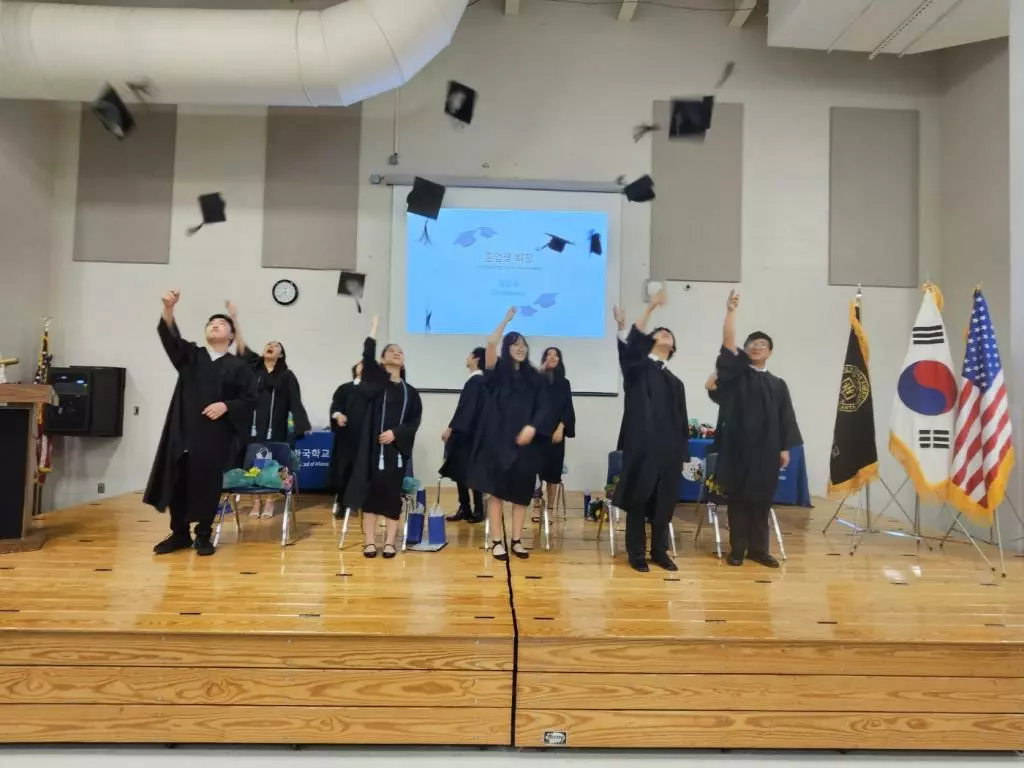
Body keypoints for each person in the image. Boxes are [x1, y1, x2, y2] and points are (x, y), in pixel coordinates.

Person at [144, 290, 257, 556]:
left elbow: (251, 400)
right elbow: (170, 339)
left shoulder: (239, 367)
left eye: (221, 324)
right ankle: (179, 533)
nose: (214, 325)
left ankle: (203, 534)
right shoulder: (192, 357)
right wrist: (169, 309)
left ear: (230, 336)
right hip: (183, 431)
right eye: (210, 324)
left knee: (207, 485)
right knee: (177, 483)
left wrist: (226, 406)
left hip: (214, 435)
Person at [714, 289, 802, 568]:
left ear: (770, 352)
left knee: (762, 502)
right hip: (738, 450)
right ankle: (737, 549)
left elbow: (786, 416)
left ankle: (759, 550)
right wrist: (730, 311)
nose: (756, 347)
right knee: (738, 501)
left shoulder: (778, 384)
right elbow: (728, 344)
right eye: (751, 344)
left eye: (762, 344)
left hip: (766, 452)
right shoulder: (737, 376)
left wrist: (784, 447)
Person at [468, 307, 555, 561]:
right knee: (496, 492)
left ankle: (516, 540)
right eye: (515, 344)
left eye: (523, 345)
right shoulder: (496, 371)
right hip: (498, 441)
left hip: (526, 444)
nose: (520, 348)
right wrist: (505, 319)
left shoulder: (534, 377)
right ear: (508, 348)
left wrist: (532, 427)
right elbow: (491, 342)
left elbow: (544, 407)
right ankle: (497, 540)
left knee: (521, 494)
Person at [612, 290, 689, 573]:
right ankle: (636, 553)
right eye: (660, 332)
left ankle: (660, 551)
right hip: (642, 449)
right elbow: (629, 345)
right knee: (638, 500)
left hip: (668, 453)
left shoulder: (676, 382)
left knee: (664, 504)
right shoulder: (638, 369)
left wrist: (682, 453)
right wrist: (650, 308)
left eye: (670, 334)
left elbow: (682, 421)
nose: (666, 334)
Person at [342, 315, 422, 559]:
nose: (397, 353)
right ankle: (369, 541)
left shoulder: (411, 393)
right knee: (370, 496)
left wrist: (395, 434)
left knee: (391, 497)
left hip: (395, 452)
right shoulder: (375, 385)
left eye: (401, 351)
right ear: (382, 359)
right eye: (392, 351)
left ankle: (389, 542)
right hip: (371, 451)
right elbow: (367, 357)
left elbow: (414, 421)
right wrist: (374, 329)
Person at [227, 302, 311, 519]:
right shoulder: (253, 370)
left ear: (281, 354)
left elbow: (296, 402)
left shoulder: (287, 376)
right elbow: (241, 345)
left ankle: (270, 502)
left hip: (276, 427)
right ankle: (255, 502)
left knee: (274, 464)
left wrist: (302, 424)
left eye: (275, 345)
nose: (270, 346)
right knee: (252, 462)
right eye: (268, 344)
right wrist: (234, 319)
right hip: (252, 426)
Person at [440, 347, 488, 523]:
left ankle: (477, 510)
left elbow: (466, 410)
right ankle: (466, 508)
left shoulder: (476, 381)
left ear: (475, 359)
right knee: (461, 471)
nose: (466, 358)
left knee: (470, 471)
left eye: (469, 355)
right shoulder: (477, 381)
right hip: (469, 433)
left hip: (468, 435)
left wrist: (451, 428)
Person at [327, 361, 371, 518]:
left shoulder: (375, 391)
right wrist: (338, 416)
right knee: (345, 469)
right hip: (347, 436)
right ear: (355, 369)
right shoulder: (345, 388)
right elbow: (335, 407)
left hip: (369, 438)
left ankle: (364, 503)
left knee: (366, 470)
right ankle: (343, 503)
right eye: (361, 364)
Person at [538, 346, 576, 513]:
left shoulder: (564, 383)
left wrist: (561, 428)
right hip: (537, 433)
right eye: (549, 355)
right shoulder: (537, 380)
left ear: (560, 360)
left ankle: (551, 507)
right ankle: (537, 507)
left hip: (555, 433)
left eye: (556, 355)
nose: (552, 357)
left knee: (553, 473)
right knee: (536, 471)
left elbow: (567, 408)